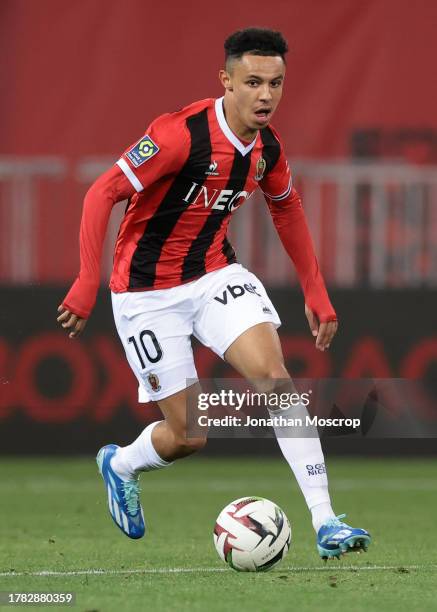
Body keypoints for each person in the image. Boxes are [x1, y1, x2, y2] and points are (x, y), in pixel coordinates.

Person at [57, 27, 370, 560]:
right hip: (144, 292)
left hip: (214, 276)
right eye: (252, 82)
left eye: (275, 83)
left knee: (277, 380)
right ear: (226, 81)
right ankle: (122, 464)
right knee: (188, 436)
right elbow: (102, 191)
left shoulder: (267, 148)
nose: (265, 95)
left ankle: (326, 521)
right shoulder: (179, 135)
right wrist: (87, 279)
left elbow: (286, 207)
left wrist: (315, 290)